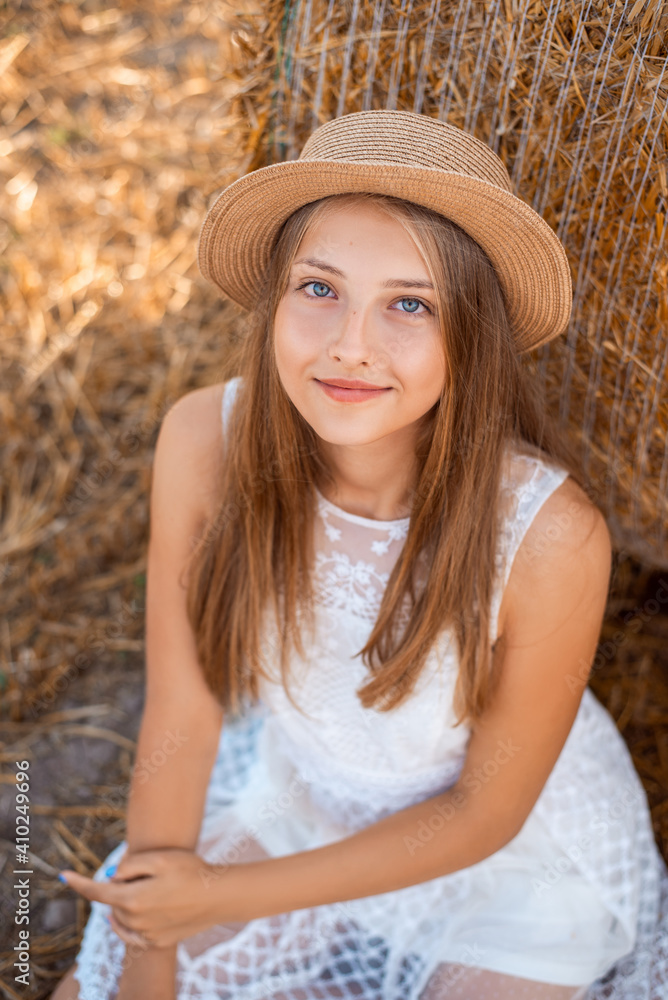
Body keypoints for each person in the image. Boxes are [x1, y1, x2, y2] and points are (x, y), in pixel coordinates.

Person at [52, 110, 668, 1000]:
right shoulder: (201, 442)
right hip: (305, 802)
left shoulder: (550, 537)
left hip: (511, 863)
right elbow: (182, 710)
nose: (350, 344)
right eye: (319, 288)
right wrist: (153, 948)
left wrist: (217, 896)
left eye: (409, 305)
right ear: (273, 299)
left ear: (473, 337)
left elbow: (481, 812)